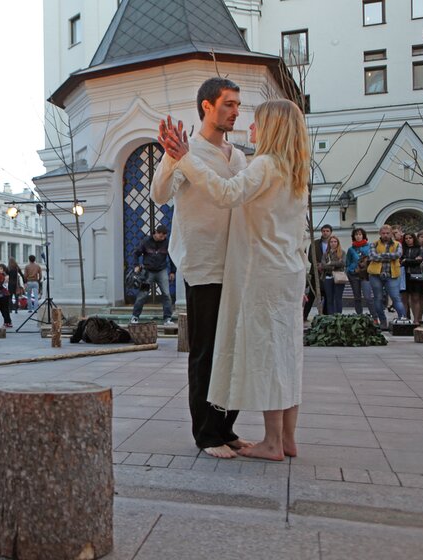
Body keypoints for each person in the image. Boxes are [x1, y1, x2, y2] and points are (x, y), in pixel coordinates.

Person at [160, 98, 310, 461]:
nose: (249, 125)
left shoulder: (263, 165)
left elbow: (227, 194)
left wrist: (186, 159)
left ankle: (273, 443)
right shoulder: (296, 170)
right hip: (289, 273)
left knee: (268, 355)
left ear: (272, 127)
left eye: (257, 120)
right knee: (288, 355)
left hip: (263, 273)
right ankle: (287, 439)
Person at [150, 77, 251, 459]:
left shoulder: (237, 156)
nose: (235, 111)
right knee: (207, 351)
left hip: (236, 263)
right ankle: (206, 434)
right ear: (207, 106)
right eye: (228, 104)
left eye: (238, 104)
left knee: (234, 350)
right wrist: (172, 155)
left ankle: (226, 427)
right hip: (203, 263)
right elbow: (160, 194)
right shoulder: (185, 149)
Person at [130, 225, 176, 326]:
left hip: (162, 271)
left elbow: (172, 257)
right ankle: (135, 317)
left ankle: (167, 318)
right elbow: (136, 253)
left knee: (166, 295)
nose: (162, 238)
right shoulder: (146, 241)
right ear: (156, 233)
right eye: (161, 236)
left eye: (164, 236)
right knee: (143, 294)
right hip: (148, 272)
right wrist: (136, 265)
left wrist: (173, 271)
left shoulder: (166, 242)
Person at [367, 224, 409, 329]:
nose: (385, 235)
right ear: (380, 233)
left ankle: (402, 320)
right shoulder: (374, 244)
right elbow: (372, 256)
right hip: (375, 275)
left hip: (393, 275)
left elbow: (398, 255)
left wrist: (381, 256)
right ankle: (383, 321)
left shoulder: (397, 244)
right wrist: (389, 256)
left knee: (396, 298)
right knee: (378, 298)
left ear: (391, 234)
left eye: (387, 233)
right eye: (383, 233)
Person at [345, 228, 377, 321]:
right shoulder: (351, 249)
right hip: (354, 275)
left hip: (365, 275)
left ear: (363, 235)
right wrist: (351, 270)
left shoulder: (369, 246)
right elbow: (348, 262)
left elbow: (372, 258)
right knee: (357, 297)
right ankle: (360, 317)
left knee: (368, 297)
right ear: (353, 237)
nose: (358, 236)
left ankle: (375, 317)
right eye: (356, 235)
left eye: (360, 234)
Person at [401, 232, 423, 323]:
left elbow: (418, 261)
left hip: (416, 275)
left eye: (410, 238)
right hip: (404, 275)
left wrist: (406, 260)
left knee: (415, 298)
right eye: (406, 238)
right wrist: (411, 260)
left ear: (413, 239)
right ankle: (404, 319)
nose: (408, 240)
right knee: (404, 298)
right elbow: (400, 261)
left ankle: (416, 320)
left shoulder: (419, 249)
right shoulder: (402, 249)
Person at [321, 235, 345, 315]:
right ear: (329, 243)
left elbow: (342, 263)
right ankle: (331, 317)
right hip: (327, 277)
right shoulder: (325, 254)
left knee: (338, 298)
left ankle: (338, 316)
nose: (333, 243)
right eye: (331, 242)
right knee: (329, 299)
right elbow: (323, 265)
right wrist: (335, 265)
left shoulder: (342, 252)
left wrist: (330, 263)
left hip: (339, 277)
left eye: (335, 241)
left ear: (338, 243)